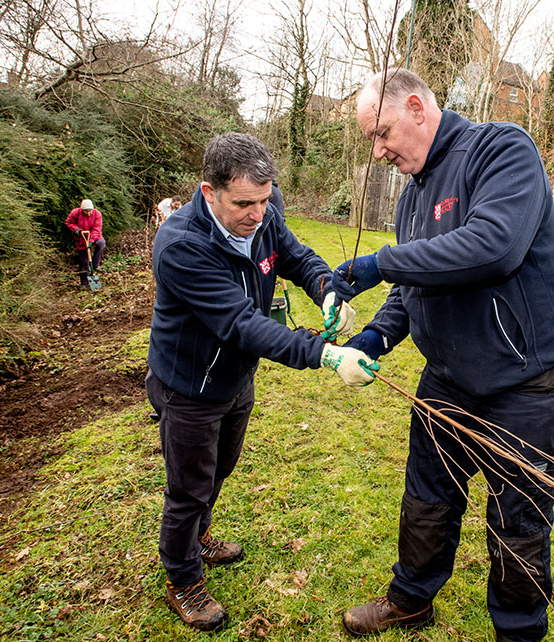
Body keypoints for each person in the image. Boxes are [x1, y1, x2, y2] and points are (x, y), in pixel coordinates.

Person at [332, 69, 554, 642]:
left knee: (518, 520)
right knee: (427, 495)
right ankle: (411, 598)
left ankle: (518, 631)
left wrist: (378, 263)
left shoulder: (501, 150)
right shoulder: (414, 194)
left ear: (417, 108)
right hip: (446, 378)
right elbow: (415, 285)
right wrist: (373, 338)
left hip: (524, 381)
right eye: (372, 139)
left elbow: (493, 247)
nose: (379, 151)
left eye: (383, 133)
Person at [146, 132, 374, 632]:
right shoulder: (182, 245)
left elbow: (296, 256)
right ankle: (183, 578)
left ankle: (199, 536)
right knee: (188, 488)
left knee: (220, 467)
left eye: (265, 200)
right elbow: (241, 323)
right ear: (209, 193)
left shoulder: (266, 213)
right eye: (244, 203)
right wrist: (327, 354)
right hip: (188, 386)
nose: (258, 214)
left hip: (234, 378)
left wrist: (326, 291)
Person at [65, 198, 105, 289]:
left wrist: (91, 241)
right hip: (81, 238)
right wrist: (77, 230)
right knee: (83, 261)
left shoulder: (97, 214)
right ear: (82, 210)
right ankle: (84, 283)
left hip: (95, 236)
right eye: (85, 211)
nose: (88, 213)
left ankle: (95, 265)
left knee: (101, 243)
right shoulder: (75, 213)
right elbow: (69, 222)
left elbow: (96, 229)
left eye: (89, 211)